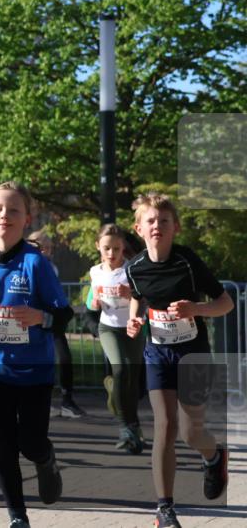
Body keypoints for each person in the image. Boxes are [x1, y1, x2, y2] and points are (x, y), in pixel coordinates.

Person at [0, 181, 71, 528]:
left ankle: (46, 458)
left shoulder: (34, 263)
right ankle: (17, 517)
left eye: (13, 210)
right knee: (3, 445)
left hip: (35, 371)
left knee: (30, 442)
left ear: (27, 219)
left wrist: (42, 317)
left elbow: (63, 313)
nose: (4, 215)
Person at [124, 193, 232, 528]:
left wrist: (196, 309)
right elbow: (139, 299)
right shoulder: (134, 268)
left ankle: (214, 457)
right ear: (139, 228)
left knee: (189, 432)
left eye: (164, 221)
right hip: (157, 353)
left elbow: (225, 302)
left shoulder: (187, 261)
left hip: (193, 352)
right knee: (165, 427)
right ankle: (164, 508)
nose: (157, 225)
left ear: (176, 228)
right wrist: (134, 319)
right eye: (150, 220)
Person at [86, 223, 145, 453]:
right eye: (106, 248)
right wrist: (94, 302)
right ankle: (124, 428)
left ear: (124, 248)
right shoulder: (95, 271)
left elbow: (144, 299)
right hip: (109, 328)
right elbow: (91, 301)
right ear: (98, 247)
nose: (111, 254)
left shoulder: (132, 270)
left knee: (132, 379)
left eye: (117, 249)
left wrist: (130, 294)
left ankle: (133, 426)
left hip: (132, 329)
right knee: (120, 369)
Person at [29, 230, 85, 419]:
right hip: (33, 320)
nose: (47, 251)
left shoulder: (50, 267)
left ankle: (67, 399)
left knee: (64, 356)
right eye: (42, 247)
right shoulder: (29, 263)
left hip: (51, 318)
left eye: (49, 247)